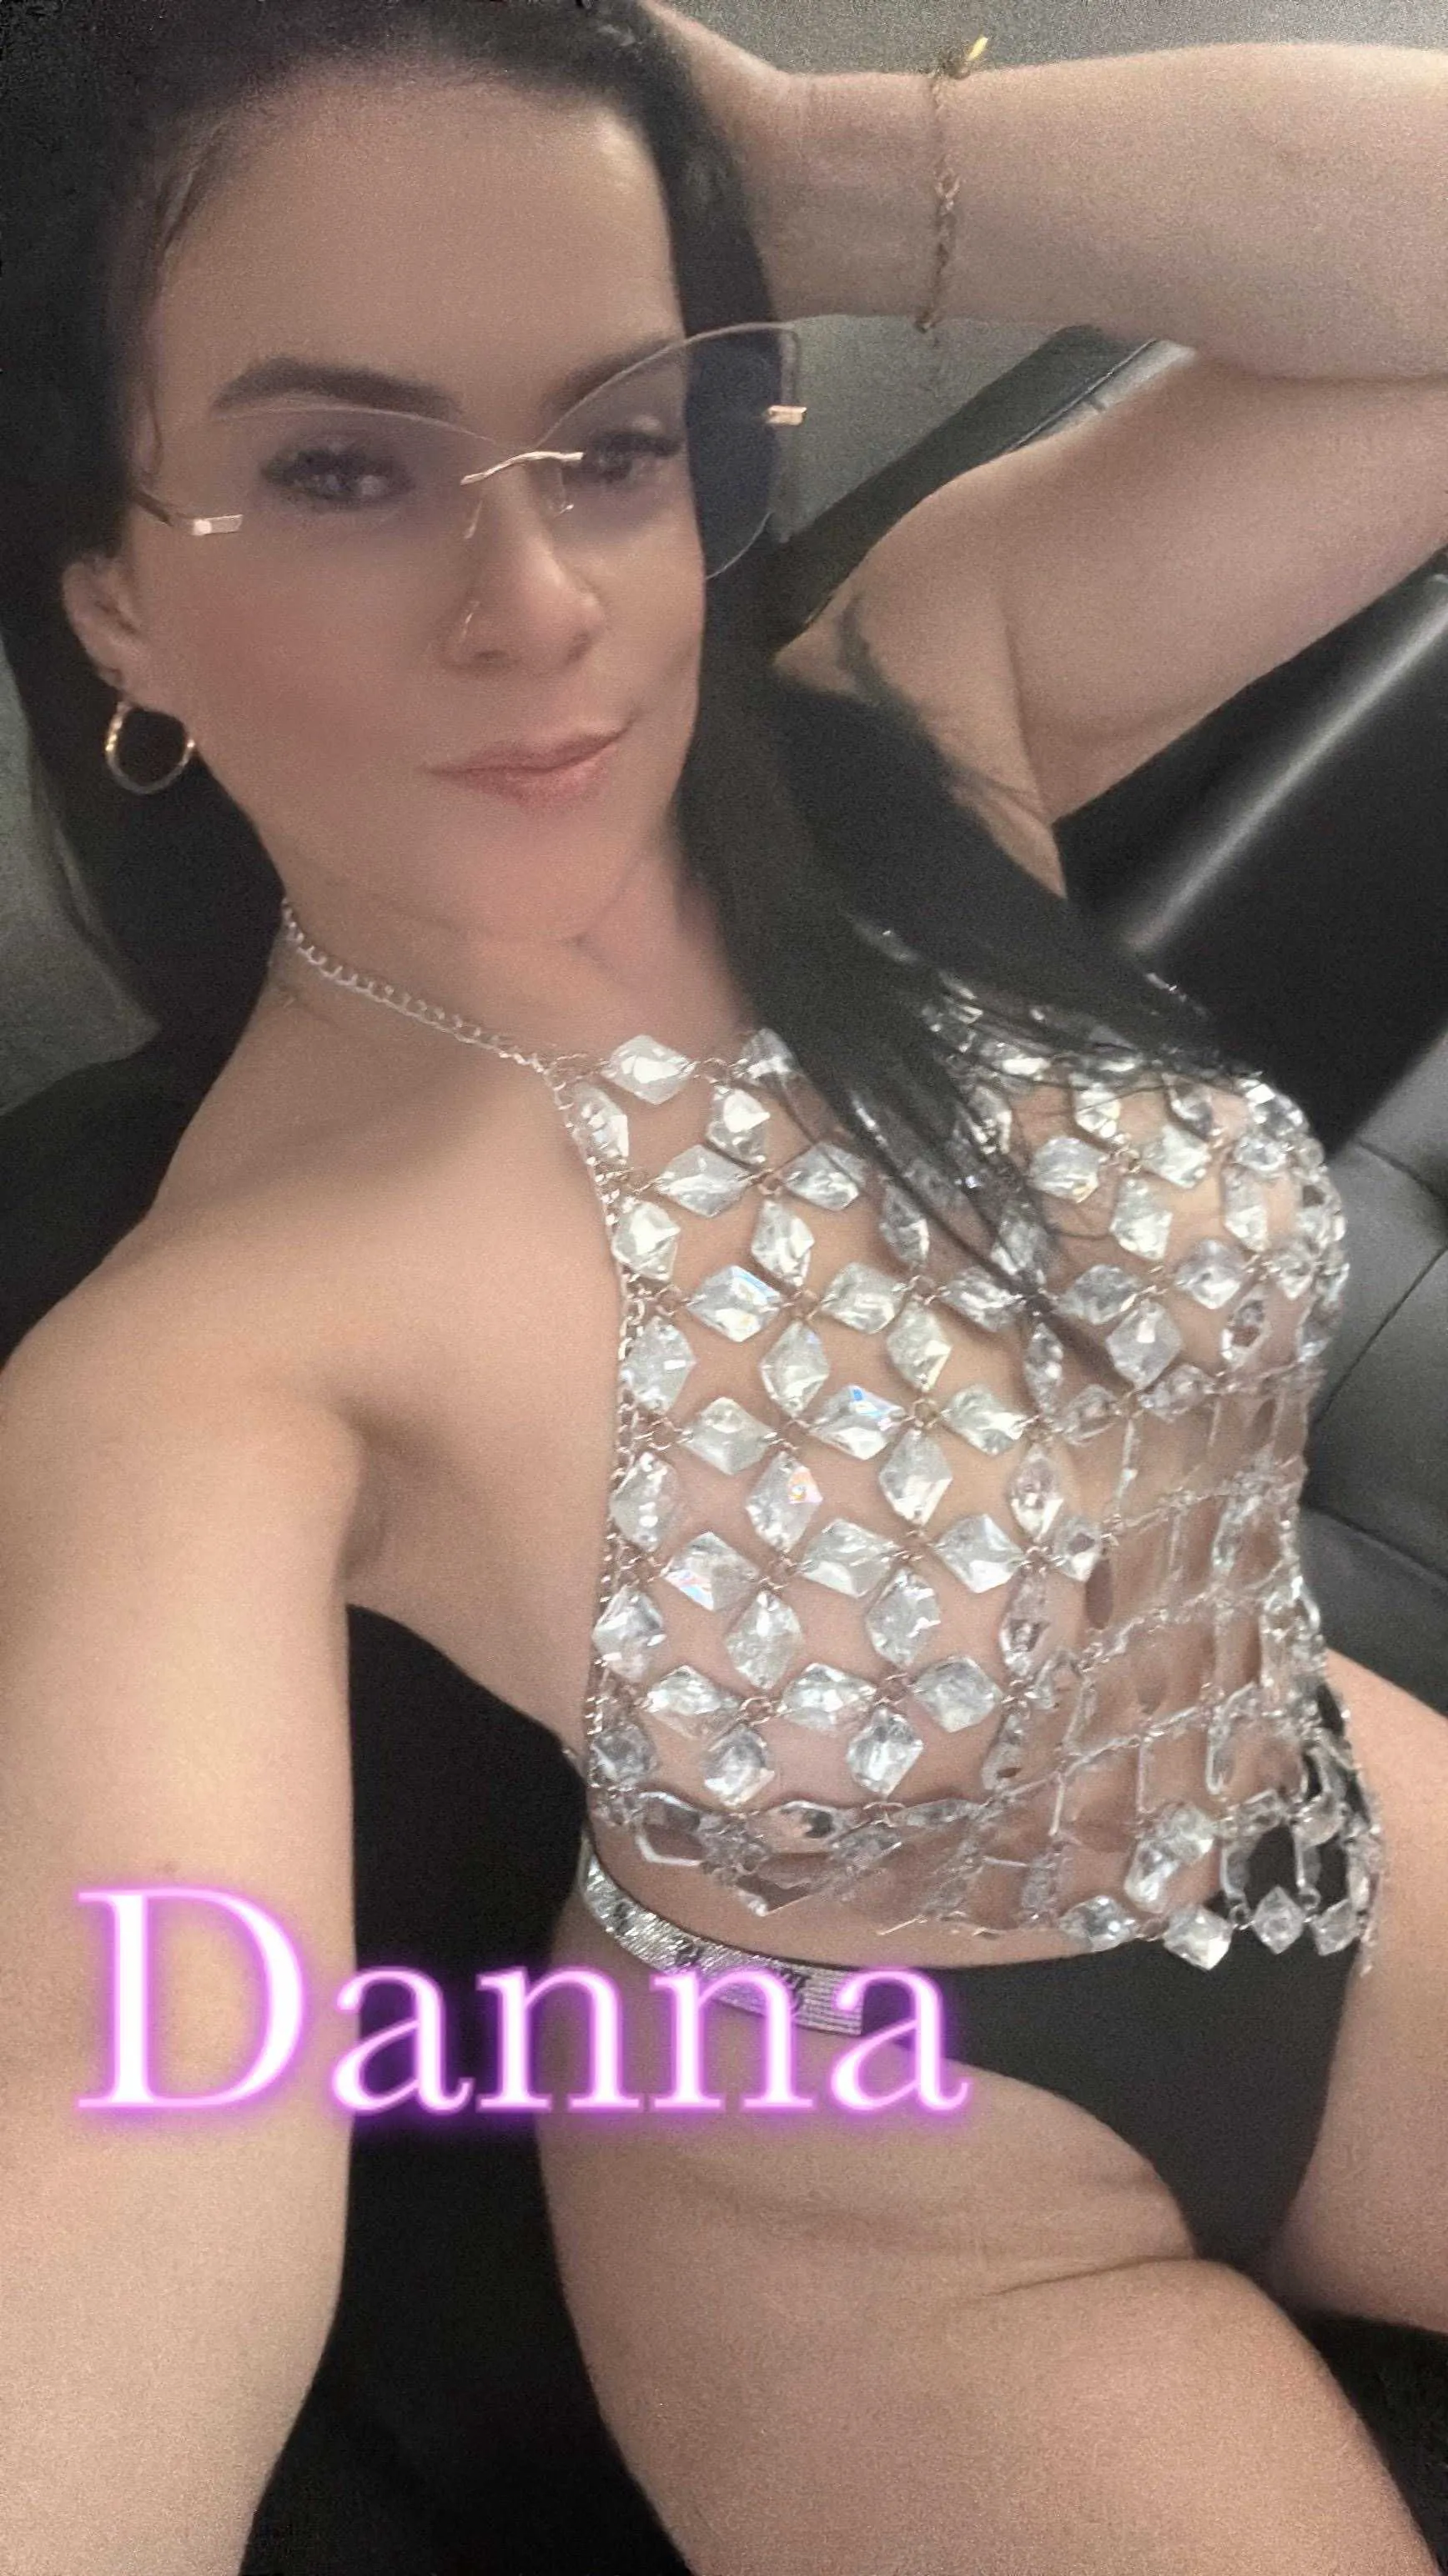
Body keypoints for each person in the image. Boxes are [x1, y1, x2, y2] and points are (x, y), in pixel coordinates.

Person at [1, 3, 1445, 2571]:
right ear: (115, 599)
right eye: (340, 470)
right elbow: (126, 2137)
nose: (539, 598)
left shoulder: (919, 715)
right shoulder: (208, 1360)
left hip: (1309, 1816)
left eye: (611, 437)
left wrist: (799, 167)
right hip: (875, 2201)